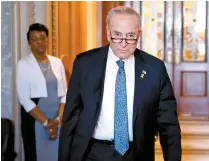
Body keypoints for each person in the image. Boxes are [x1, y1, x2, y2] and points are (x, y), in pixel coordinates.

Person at [59, 6, 182, 161]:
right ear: (108, 32)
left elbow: (168, 125)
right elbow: (70, 118)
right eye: (117, 35)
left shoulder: (154, 68)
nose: (123, 44)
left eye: (130, 36)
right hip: (92, 153)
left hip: (136, 154)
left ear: (139, 33)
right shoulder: (85, 64)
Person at [16, 23, 67, 161]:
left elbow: (64, 94)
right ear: (29, 42)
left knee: (57, 156)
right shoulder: (23, 64)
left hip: (57, 122)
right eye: (35, 39)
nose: (40, 42)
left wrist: (57, 121)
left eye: (43, 38)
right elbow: (24, 99)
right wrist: (47, 123)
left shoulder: (57, 62)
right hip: (35, 122)